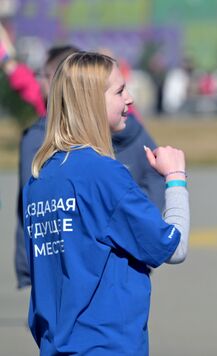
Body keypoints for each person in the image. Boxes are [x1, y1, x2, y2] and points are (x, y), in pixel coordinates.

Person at [23, 51, 189, 354]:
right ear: (91, 103)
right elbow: (172, 247)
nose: (130, 99)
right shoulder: (102, 173)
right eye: (120, 91)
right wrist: (176, 178)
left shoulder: (40, 177)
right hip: (106, 345)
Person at [0, 37, 165, 289]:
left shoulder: (102, 166)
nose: (41, 83)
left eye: (45, 76)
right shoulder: (59, 153)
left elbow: (167, 244)